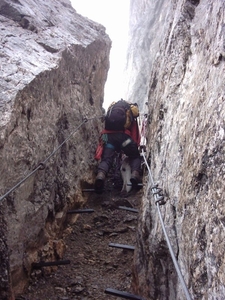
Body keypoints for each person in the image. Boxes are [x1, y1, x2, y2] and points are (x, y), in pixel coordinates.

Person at [94, 99, 142, 194]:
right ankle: (135, 174)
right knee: (135, 156)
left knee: (106, 159)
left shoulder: (112, 106)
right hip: (124, 140)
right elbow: (137, 113)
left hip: (109, 138)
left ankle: (101, 175)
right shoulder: (130, 107)